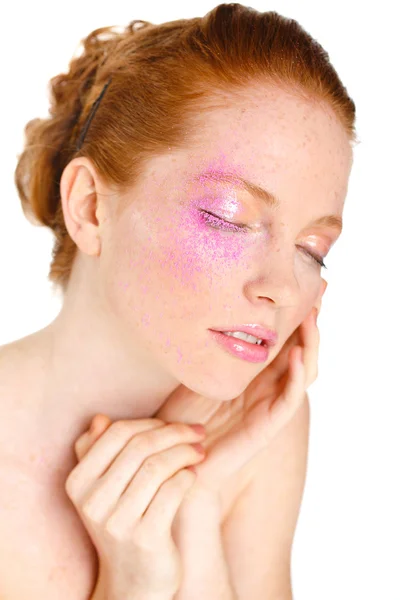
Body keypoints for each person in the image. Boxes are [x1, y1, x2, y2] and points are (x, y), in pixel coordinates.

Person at [0, 3, 357, 599]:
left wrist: (194, 511)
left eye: (312, 248)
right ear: (91, 207)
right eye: (229, 217)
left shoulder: (258, 428)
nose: (284, 288)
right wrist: (132, 585)